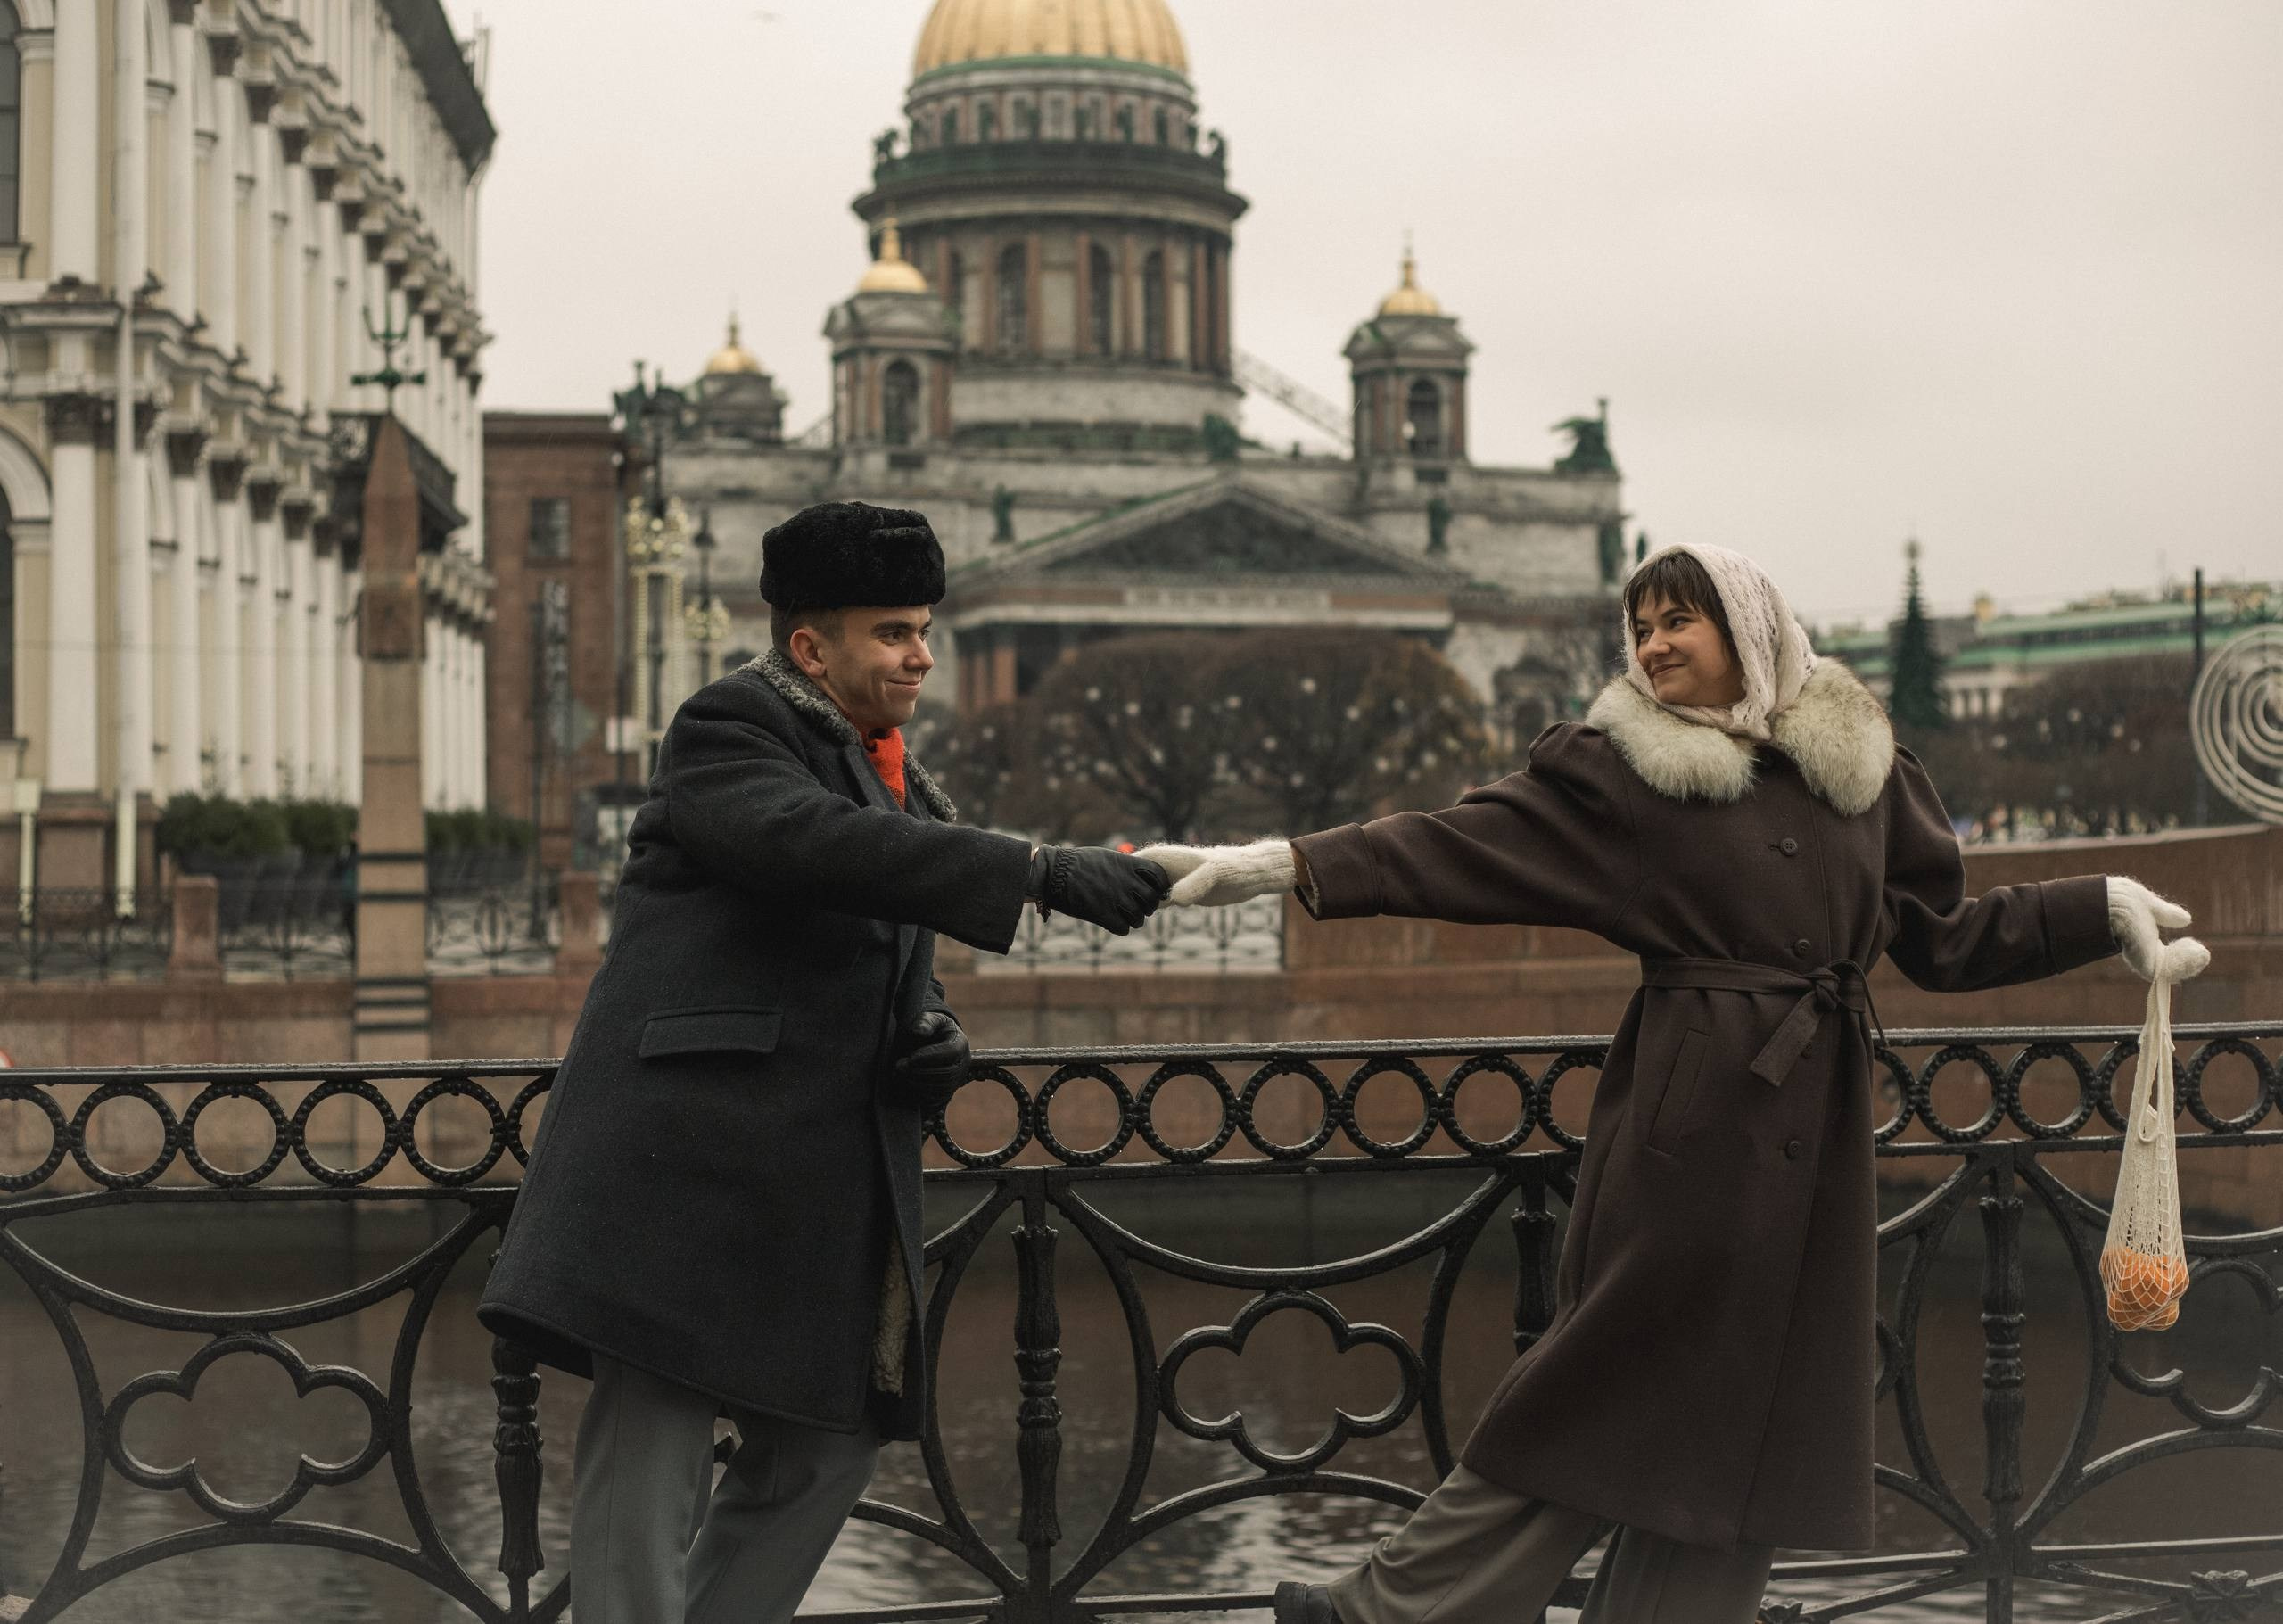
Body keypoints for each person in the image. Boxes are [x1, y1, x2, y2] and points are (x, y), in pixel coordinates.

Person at [1141, 543, 2205, 1624]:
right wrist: (1281, 866)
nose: (1651, 644)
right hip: (1688, 1130)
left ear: (1746, 631)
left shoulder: (1867, 770)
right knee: (1602, 1382)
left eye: (1676, 622)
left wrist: (2100, 904)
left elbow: (1946, 938)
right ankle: (1390, 1610)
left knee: (1749, 1413)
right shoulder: (1625, 772)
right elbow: (1458, 846)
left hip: (1818, 1134)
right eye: (1639, 625)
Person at [478, 501, 1170, 1624]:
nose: (922, 655)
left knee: (828, 1444)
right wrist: (1036, 869)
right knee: (646, 1465)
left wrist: (928, 1024)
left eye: (926, 628)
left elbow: (867, 916)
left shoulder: (879, 762)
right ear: (812, 646)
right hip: (683, 1165)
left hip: (801, 1178)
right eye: (894, 631)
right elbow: (815, 848)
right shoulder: (729, 723)